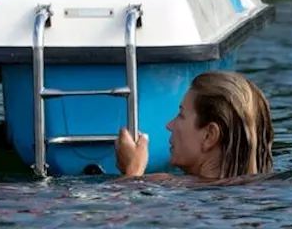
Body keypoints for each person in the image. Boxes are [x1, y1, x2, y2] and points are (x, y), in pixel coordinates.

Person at [114, 70, 274, 181]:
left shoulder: (170, 188)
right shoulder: (256, 189)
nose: (169, 125)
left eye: (181, 115)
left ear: (209, 136)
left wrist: (132, 171)